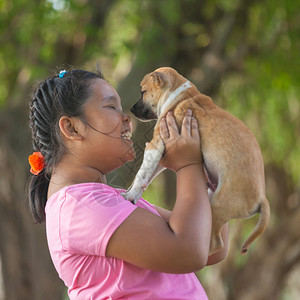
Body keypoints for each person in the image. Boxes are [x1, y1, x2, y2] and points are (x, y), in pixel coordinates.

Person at [27, 69, 228, 299]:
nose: (127, 119)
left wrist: (204, 167)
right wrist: (188, 164)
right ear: (72, 128)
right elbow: (189, 251)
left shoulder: (108, 201)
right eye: (112, 107)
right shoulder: (80, 208)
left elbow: (212, 246)